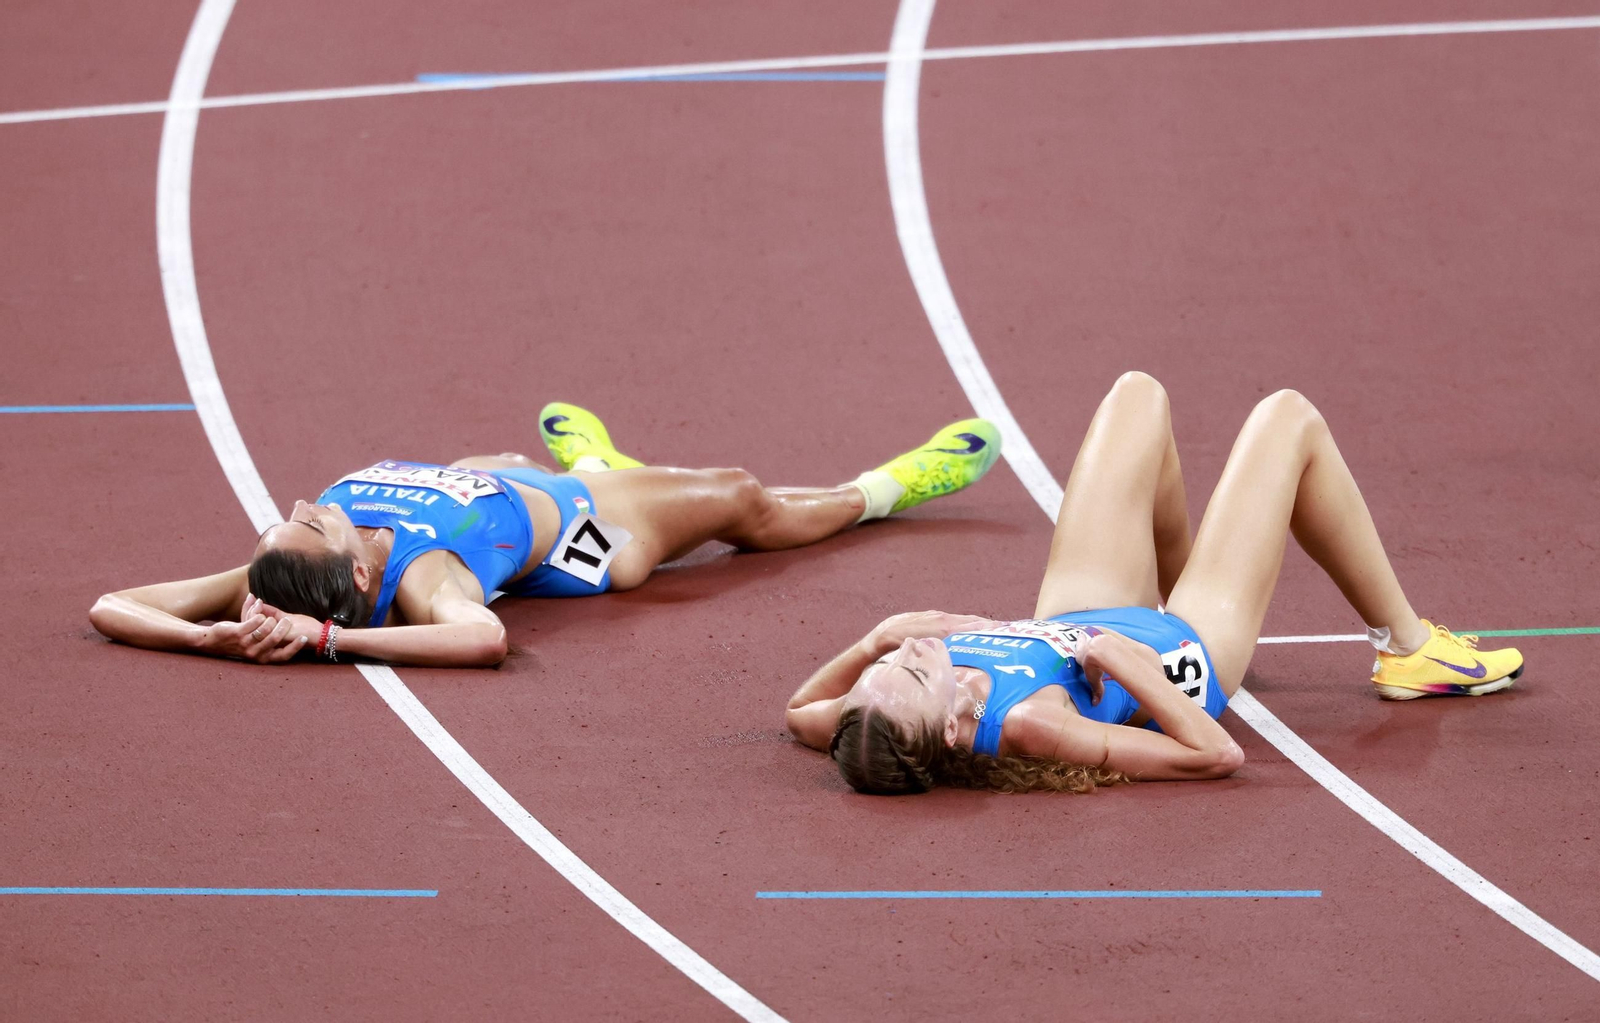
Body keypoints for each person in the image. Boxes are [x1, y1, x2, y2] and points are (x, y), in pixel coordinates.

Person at [785, 372, 1524, 794]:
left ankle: (1192, 575)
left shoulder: (870, 717)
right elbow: (1213, 755)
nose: (903, 657)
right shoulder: (1032, 725)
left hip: (1075, 610)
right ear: (949, 728)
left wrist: (873, 639)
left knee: (1136, 397)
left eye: (886, 666)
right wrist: (1124, 664)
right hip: (1185, 648)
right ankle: (1409, 647)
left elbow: (799, 712)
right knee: (1288, 418)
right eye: (910, 671)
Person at [90, 404, 1001, 668]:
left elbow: (113, 603)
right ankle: (883, 487)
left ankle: (604, 455)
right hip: (590, 527)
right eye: (312, 522)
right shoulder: (420, 574)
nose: (306, 501)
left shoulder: (292, 561)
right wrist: (331, 639)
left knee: (496, 450)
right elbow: (484, 636)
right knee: (739, 496)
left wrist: (203, 632)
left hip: (514, 477)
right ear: (360, 570)